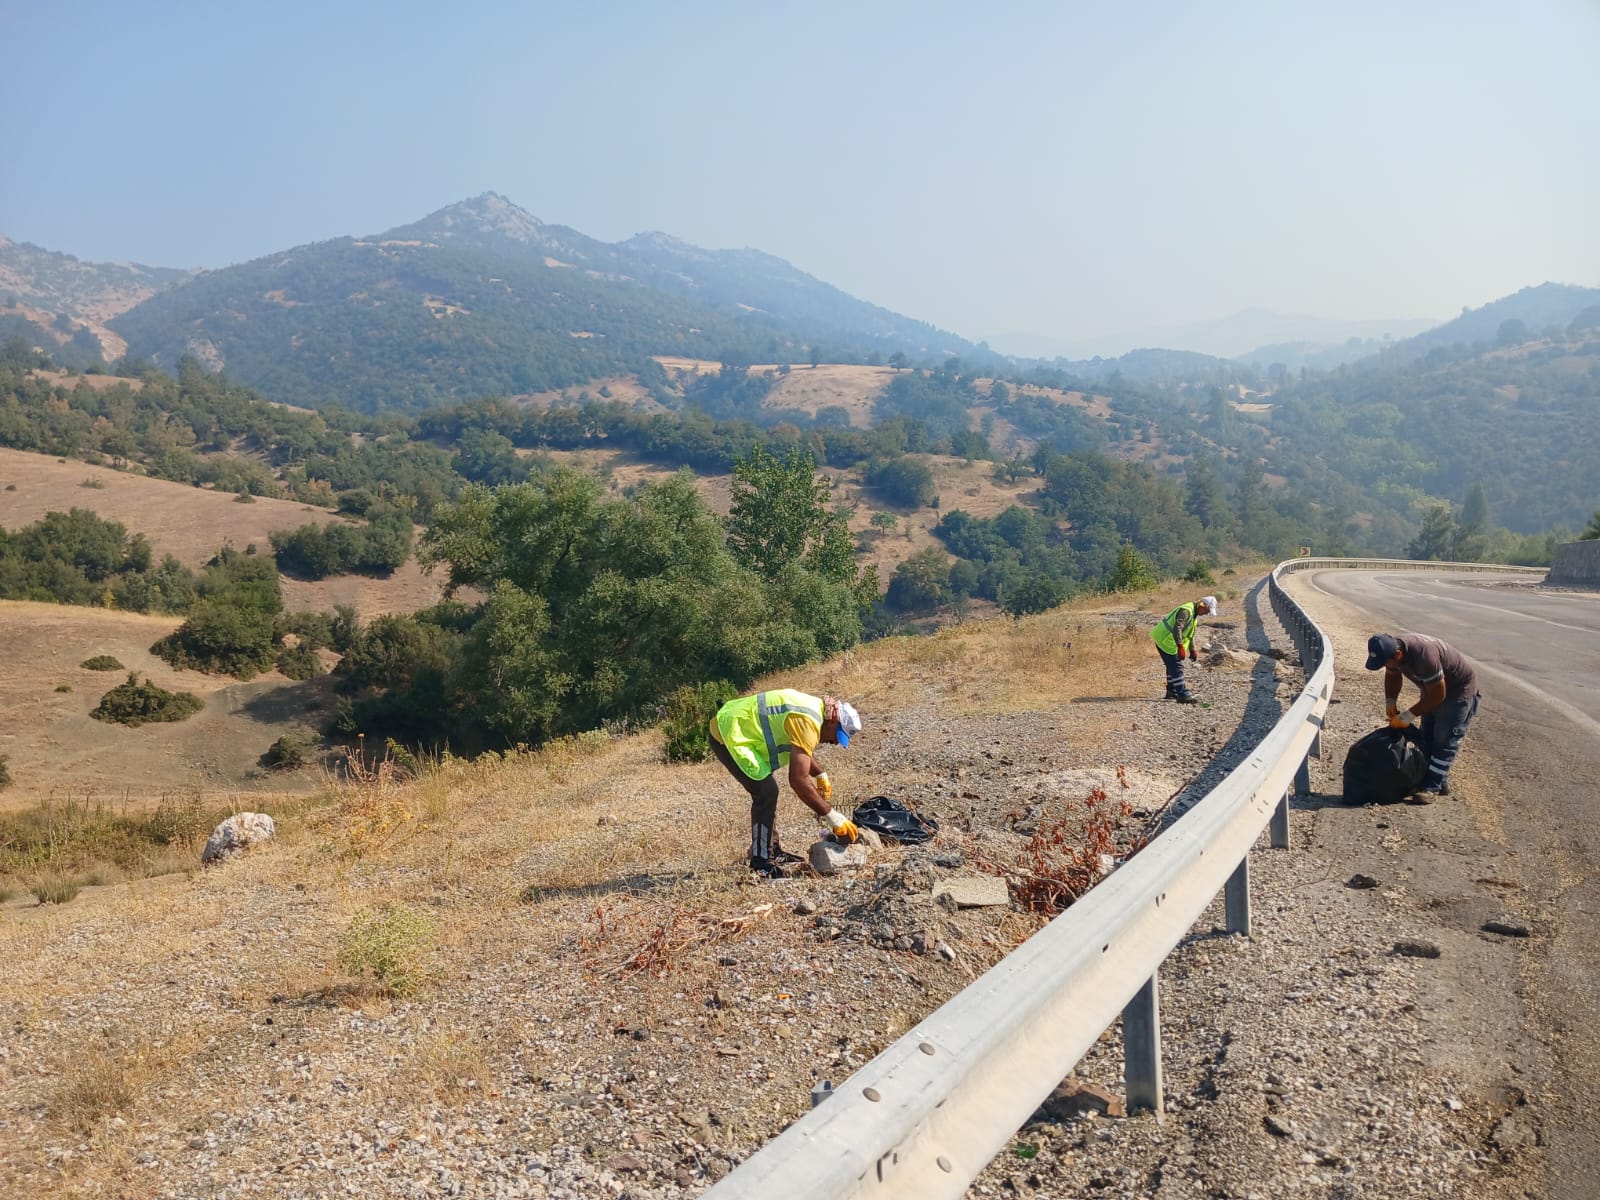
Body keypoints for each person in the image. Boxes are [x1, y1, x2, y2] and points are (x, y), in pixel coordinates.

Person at [709, 689, 863, 878]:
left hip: (737, 726)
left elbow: (800, 747)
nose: (834, 742)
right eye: (837, 735)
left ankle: (772, 850)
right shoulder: (809, 722)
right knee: (766, 792)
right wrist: (832, 816)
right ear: (832, 720)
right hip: (729, 733)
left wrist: (820, 773)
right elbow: (798, 780)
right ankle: (760, 862)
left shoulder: (815, 712)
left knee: (768, 791)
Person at [1365, 632, 1482, 803]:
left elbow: (1438, 695)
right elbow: (1392, 674)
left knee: (1445, 738)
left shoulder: (1424, 656)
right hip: (1432, 689)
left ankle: (1431, 787)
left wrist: (1407, 716)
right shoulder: (1395, 651)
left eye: (1385, 662)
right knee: (1426, 736)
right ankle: (1438, 780)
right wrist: (1390, 702)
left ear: (1397, 654)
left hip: (1457, 692)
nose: (1385, 666)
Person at [1150, 596, 1217, 704]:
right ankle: (1182, 694)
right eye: (1207, 610)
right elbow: (1178, 628)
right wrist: (1180, 646)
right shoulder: (1186, 611)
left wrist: (1192, 649)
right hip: (1165, 640)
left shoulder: (1193, 614)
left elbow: (1188, 634)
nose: (1206, 613)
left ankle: (1172, 692)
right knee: (1176, 666)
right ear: (1202, 605)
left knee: (1172, 666)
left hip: (1167, 640)